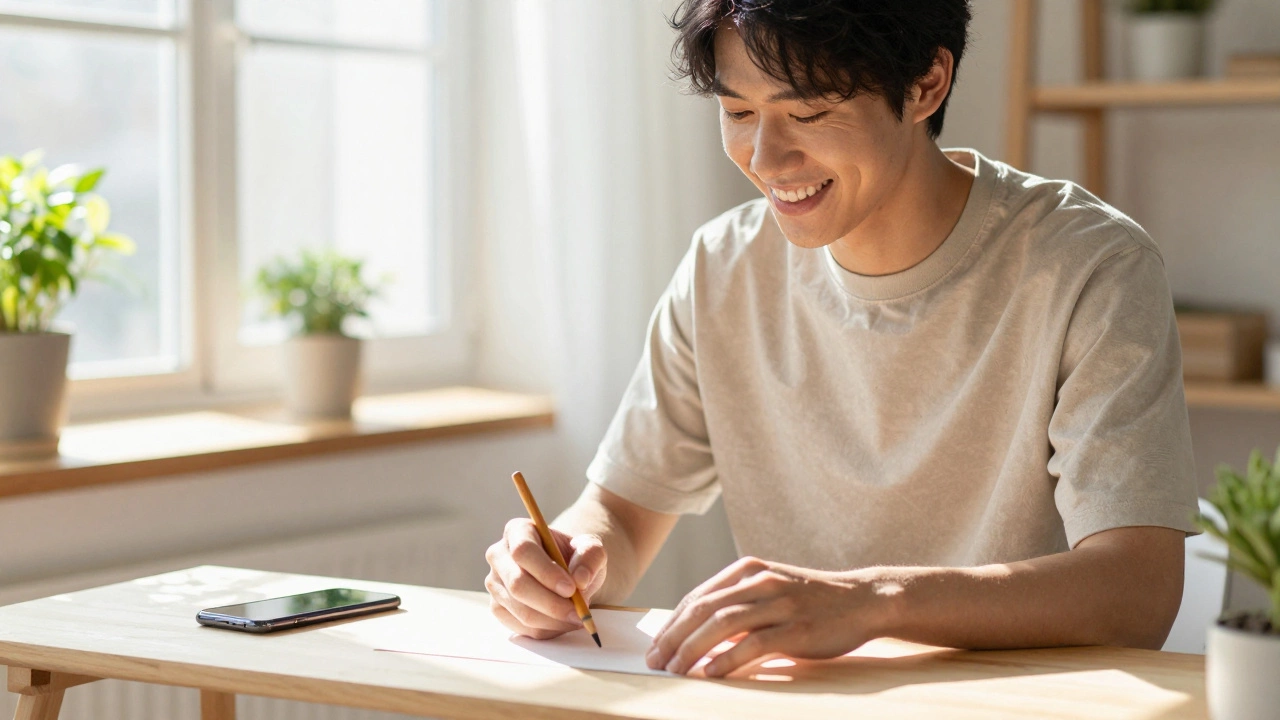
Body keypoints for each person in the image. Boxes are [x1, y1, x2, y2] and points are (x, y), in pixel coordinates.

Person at [485, 0, 1199, 679]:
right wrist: (565, 560)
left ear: (926, 84)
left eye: (808, 112)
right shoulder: (722, 269)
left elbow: (1136, 591)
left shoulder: (1088, 266)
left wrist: (872, 603)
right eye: (737, 111)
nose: (765, 157)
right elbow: (619, 513)